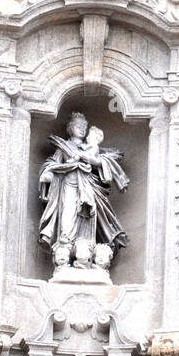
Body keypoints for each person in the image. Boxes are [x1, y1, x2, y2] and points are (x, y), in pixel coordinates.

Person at [38, 111, 129, 270]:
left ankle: (86, 254)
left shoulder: (90, 148)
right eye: (78, 126)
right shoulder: (64, 147)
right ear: (70, 128)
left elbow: (102, 165)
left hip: (88, 188)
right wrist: (48, 174)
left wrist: (95, 161)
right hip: (68, 187)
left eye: (84, 127)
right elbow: (52, 164)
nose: (82, 129)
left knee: (87, 217)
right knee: (68, 217)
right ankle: (64, 252)